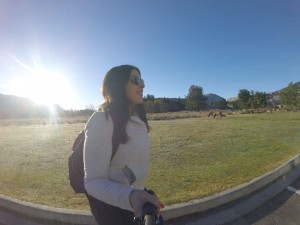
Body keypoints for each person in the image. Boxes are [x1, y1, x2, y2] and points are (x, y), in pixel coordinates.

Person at [83, 65, 164, 225]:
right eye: (135, 80)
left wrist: (138, 193)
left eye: (142, 80)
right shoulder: (102, 121)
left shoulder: (137, 121)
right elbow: (92, 181)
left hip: (139, 205)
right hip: (115, 212)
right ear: (117, 84)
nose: (142, 85)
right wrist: (130, 196)